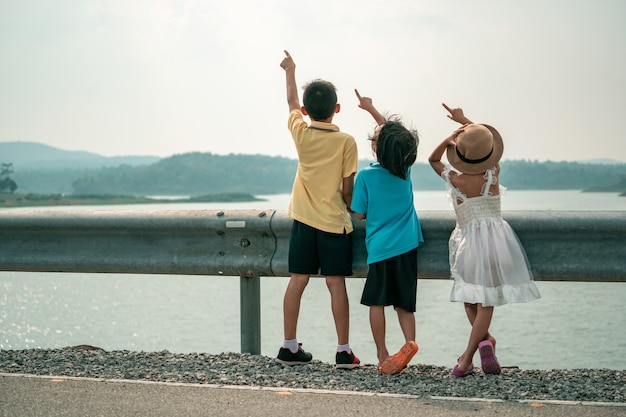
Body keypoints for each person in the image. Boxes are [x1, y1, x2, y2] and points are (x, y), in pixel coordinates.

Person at [428, 103, 541, 377]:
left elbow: (433, 159)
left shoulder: (455, 179)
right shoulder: (493, 173)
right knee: (485, 300)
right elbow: (483, 143)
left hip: (469, 245)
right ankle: (486, 341)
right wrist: (466, 122)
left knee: (471, 299)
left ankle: (467, 358)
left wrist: (452, 137)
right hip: (498, 241)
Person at [275, 50, 360, 369]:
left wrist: (290, 70)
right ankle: (343, 351)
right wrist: (354, 210)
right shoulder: (347, 142)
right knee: (335, 284)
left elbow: (291, 103)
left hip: (303, 222)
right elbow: (347, 188)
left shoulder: (301, 132)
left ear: (309, 111)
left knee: (297, 280)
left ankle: (289, 346)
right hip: (335, 224)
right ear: (337, 109)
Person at [350, 89, 423, 374]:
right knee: (405, 304)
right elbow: (396, 138)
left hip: (380, 248)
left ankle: (381, 353)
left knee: (377, 302)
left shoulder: (367, 176)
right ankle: (410, 342)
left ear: (376, 149)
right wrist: (372, 110)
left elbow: (359, 213)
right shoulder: (404, 170)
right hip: (407, 245)